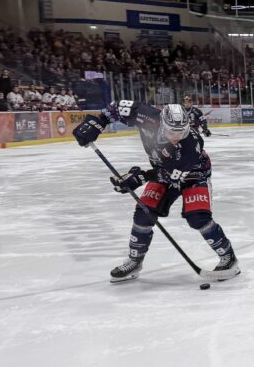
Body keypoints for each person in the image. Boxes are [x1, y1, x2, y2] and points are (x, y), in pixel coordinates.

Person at [72, 101, 240, 283]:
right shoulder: (146, 115)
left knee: (198, 217)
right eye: (172, 132)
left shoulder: (191, 144)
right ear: (162, 125)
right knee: (143, 215)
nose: (177, 137)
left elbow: (170, 176)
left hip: (194, 175)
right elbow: (117, 107)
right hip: (162, 171)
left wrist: (140, 177)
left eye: (181, 132)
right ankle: (135, 261)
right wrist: (98, 122)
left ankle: (229, 259)